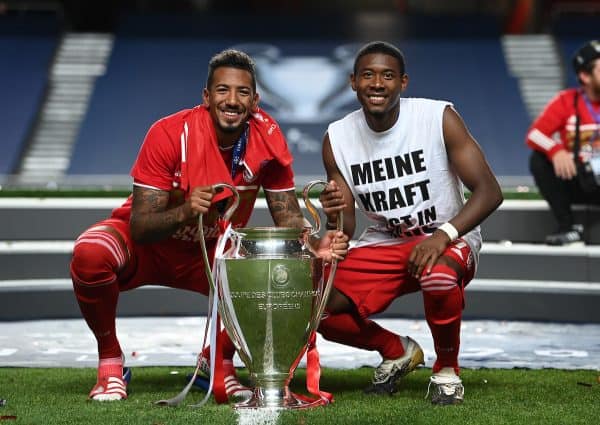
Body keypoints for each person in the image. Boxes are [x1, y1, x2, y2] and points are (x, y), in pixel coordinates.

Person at [70, 49, 348, 402]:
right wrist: (186, 210)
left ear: (255, 100)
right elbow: (140, 227)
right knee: (90, 251)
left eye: (242, 92)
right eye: (222, 90)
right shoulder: (169, 133)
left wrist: (315, 245)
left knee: (279, 270)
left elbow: (289, 218)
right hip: (149, 246)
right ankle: (110, 360)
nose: (232, 100)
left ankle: (216, 363)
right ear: (206, 96)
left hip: (212, 253)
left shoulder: (268, 140)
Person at [317, 41, 503, 405]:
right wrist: (333, 210)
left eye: (387, 75)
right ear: (353, 82)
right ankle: (396, 350)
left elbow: (489, 192)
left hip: (447, 238)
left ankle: (447, 371)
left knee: (438, 275)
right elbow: (346, 228)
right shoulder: (336, 138)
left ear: (403, 83)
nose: (377, 83)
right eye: (368, 75)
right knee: (313, 302)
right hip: (385, 241)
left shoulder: (438, 117)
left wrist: (443, 235)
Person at [526, 40, 600, 245]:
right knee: (538, 160)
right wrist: (556, 150)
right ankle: (567, 227)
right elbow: (534, 134)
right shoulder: (567, 101)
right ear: (585, 76)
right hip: (581, 181)